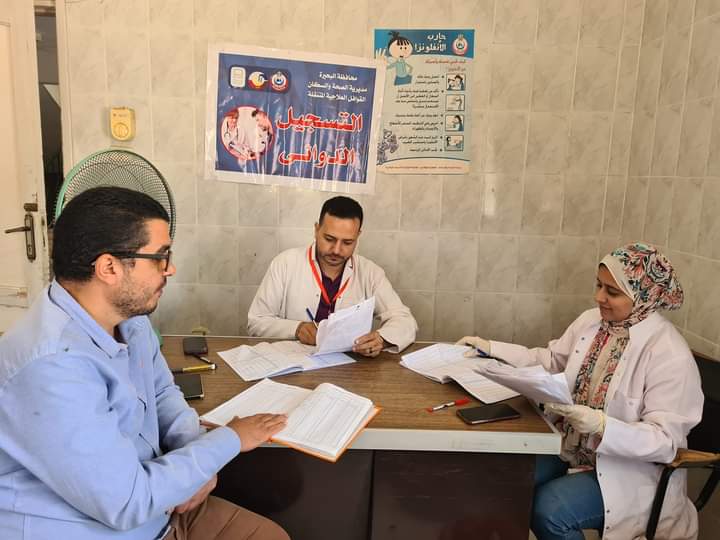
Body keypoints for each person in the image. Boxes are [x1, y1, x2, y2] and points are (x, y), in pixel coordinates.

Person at [0, 187, 289, 540]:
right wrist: (229, 440)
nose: (171, 269)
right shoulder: (51, 367)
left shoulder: (130, 320)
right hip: (108, 526)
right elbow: (127, 503)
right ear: (109, 267)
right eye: (160, 257)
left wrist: (198, 461)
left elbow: (163, 392)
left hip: (162, 506)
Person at [457, 243, 703, 540]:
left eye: (612, 292)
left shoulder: (669, 354)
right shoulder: (592, 321)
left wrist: (603, 426)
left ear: (644, 296)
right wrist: (492, 349)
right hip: (572, 449)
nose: (599, 297)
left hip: (629, 473)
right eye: (599, 285)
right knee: (504, 480)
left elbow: (665, 441)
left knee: (550, 511)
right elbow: (552, 361)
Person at [248, 196, 417, 357]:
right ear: (316, 230)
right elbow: (256, 322)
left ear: (358, 236)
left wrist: (381, 339)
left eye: (347, 242)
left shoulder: (370, 273)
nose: (336, 250)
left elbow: (405, 320)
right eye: (329, 239)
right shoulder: (285, 263)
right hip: (293, 364)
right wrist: (297, 329)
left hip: (350, 368)